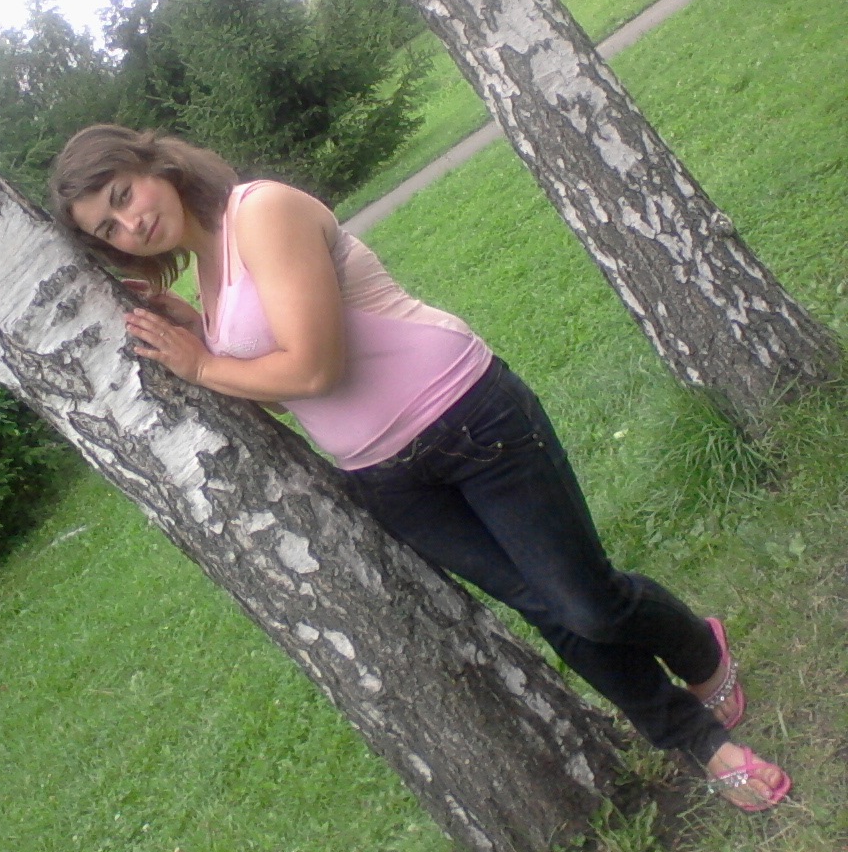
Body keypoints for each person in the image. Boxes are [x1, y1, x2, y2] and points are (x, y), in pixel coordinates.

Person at [48, 124, 790, 813]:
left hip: (468, 416)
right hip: (388, 479)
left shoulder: (261, 212)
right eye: (108, 228)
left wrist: (204, 366)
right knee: (548, 613)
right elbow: (283, 396)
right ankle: (698, 740)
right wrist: (201, 335)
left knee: (587, 602)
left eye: (124, 196)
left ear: (156, 164)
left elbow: (316, 368)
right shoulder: (207, 287)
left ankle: (699, 648)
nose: (131, 224)